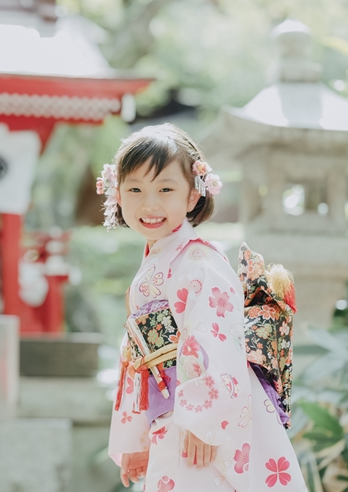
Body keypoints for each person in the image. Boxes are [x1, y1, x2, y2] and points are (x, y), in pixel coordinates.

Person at [98, 124, 307, 491]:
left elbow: (213, 337)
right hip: (174, 417)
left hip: (203, 422)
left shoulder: (198, 261)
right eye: (135, 189)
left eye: (165, 188)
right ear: (117, 194)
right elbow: (138, 358)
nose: (149, 204)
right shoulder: (162, 258)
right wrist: (136, 440)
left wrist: (203, 419)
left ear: (193, 195)